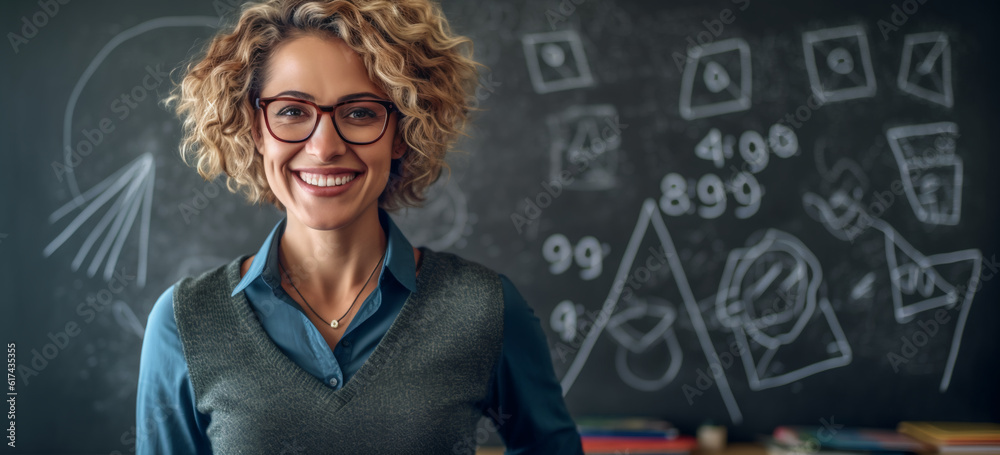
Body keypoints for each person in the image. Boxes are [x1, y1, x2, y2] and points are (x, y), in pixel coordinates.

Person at [134, 0, 584, 453]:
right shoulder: (184, 322)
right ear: (256, 128)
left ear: (402, 132)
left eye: (361, 112)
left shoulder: (485, 308)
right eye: (292, 111)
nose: (324, 147)